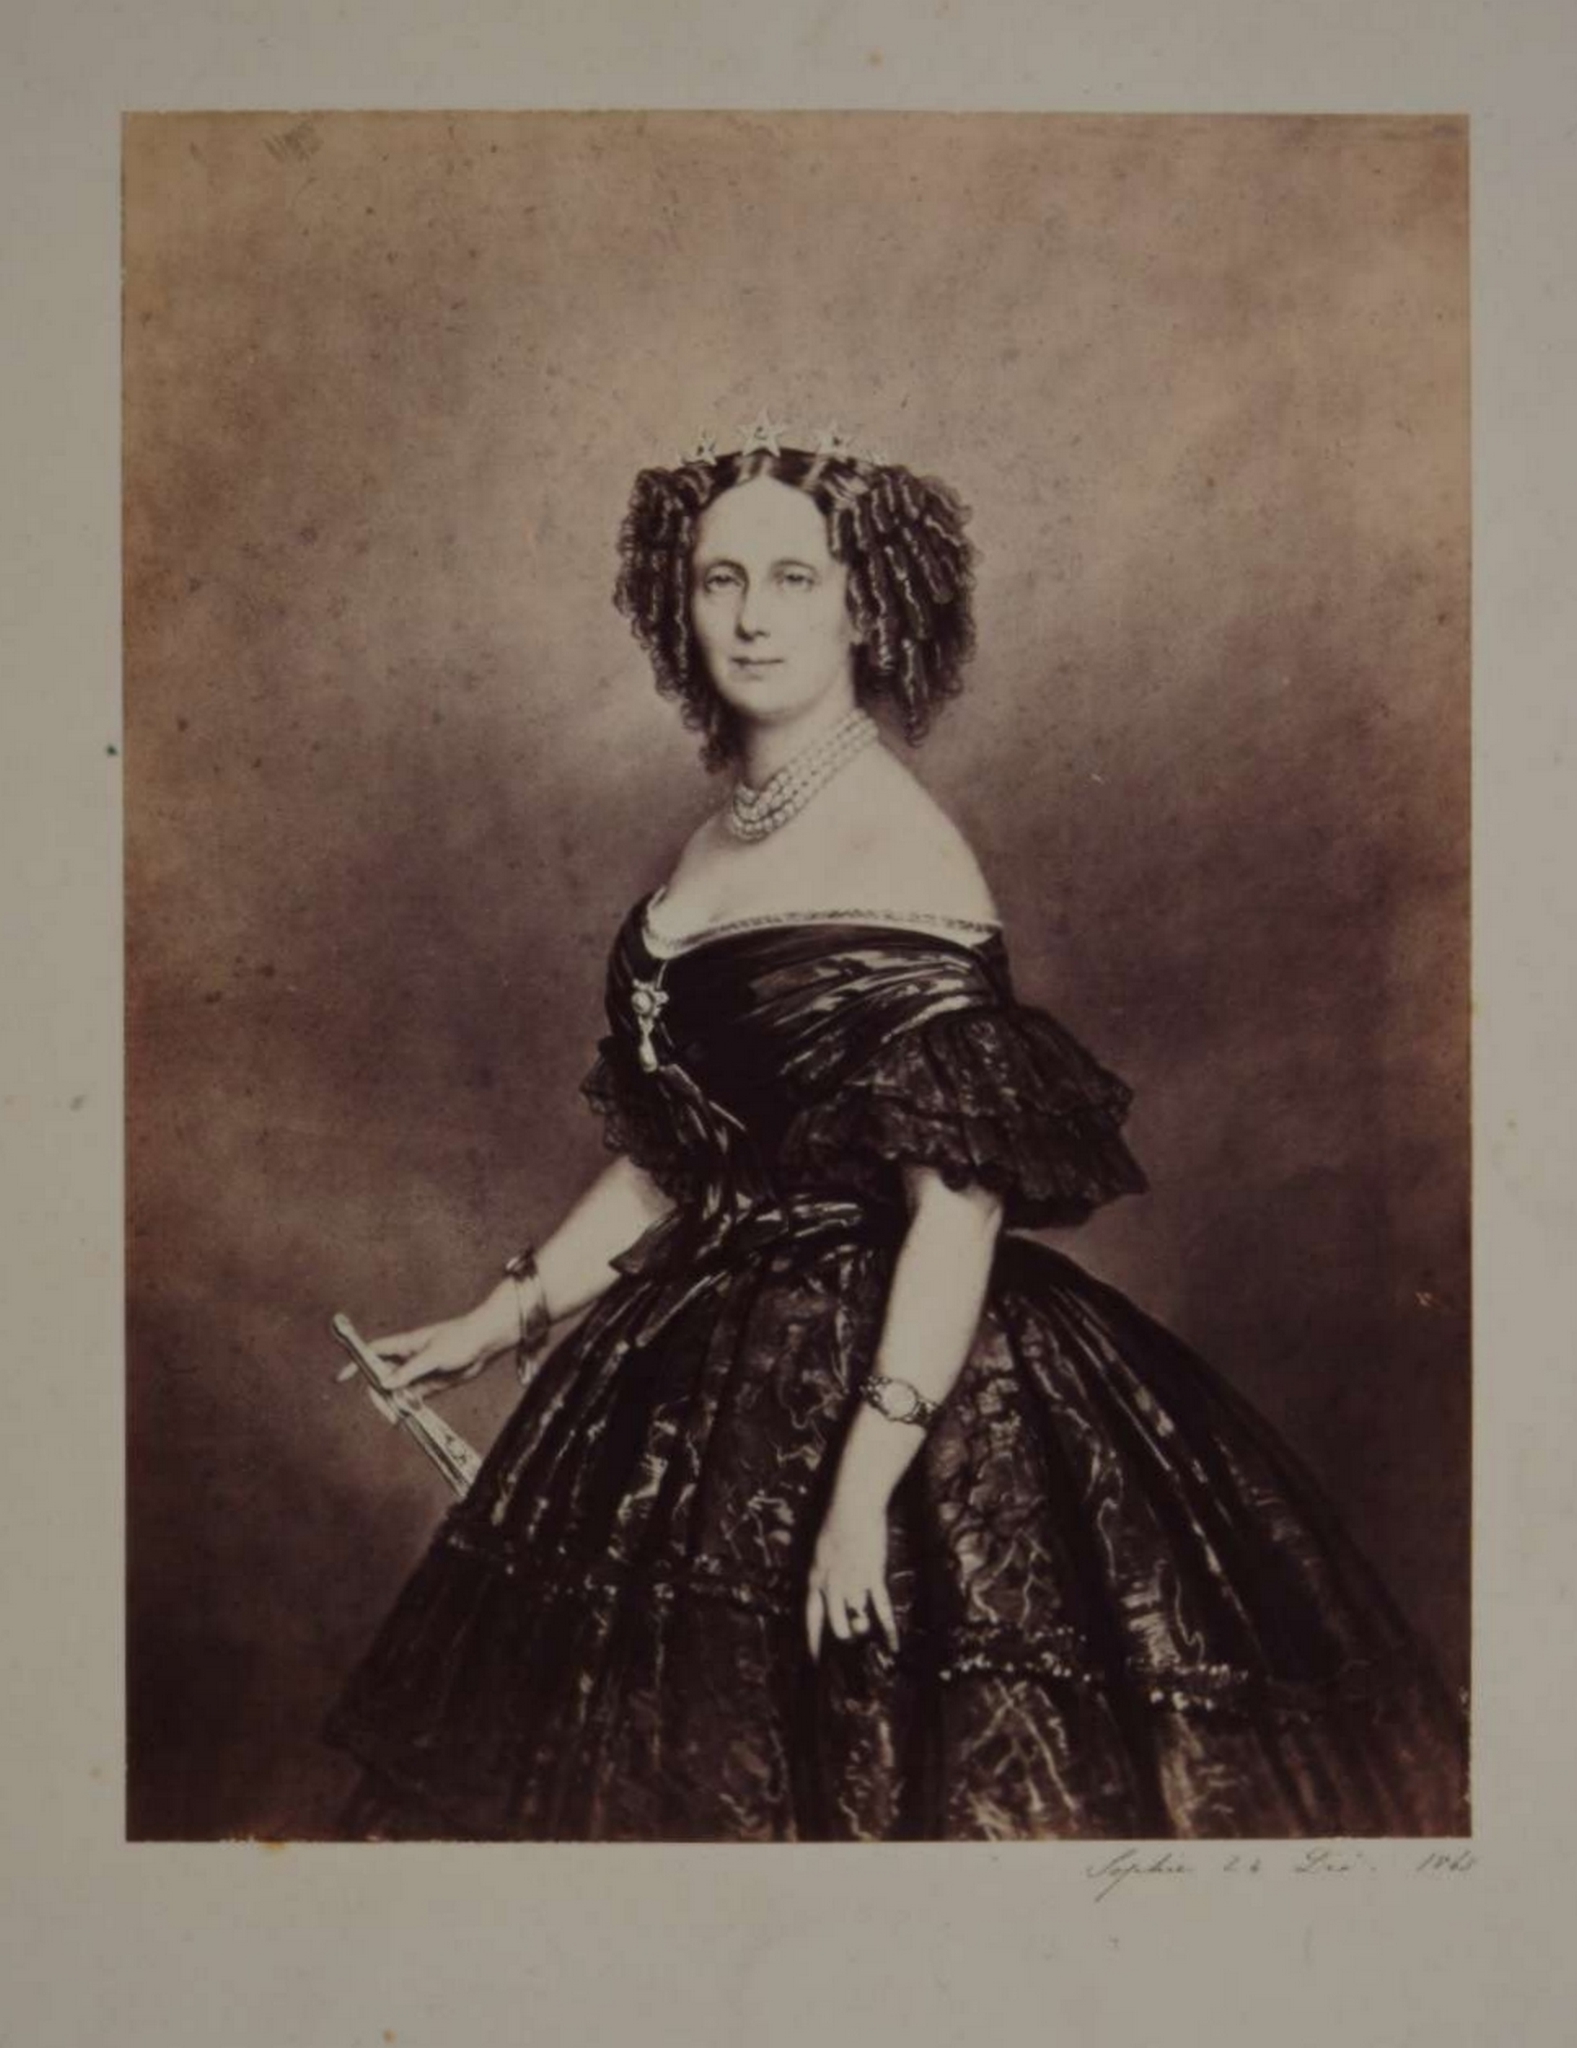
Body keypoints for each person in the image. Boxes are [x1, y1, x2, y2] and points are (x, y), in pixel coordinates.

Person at [325, 415, 1466, 1841]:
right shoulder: (728, 830)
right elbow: (682, 1149)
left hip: (884, 1381)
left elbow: (956, 1212)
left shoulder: (898, 852)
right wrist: (502, 1317)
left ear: (866, 607)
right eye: (720, 579)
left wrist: (864, 1488)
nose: (751, 617)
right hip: (699, 1362)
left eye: (793, 579)